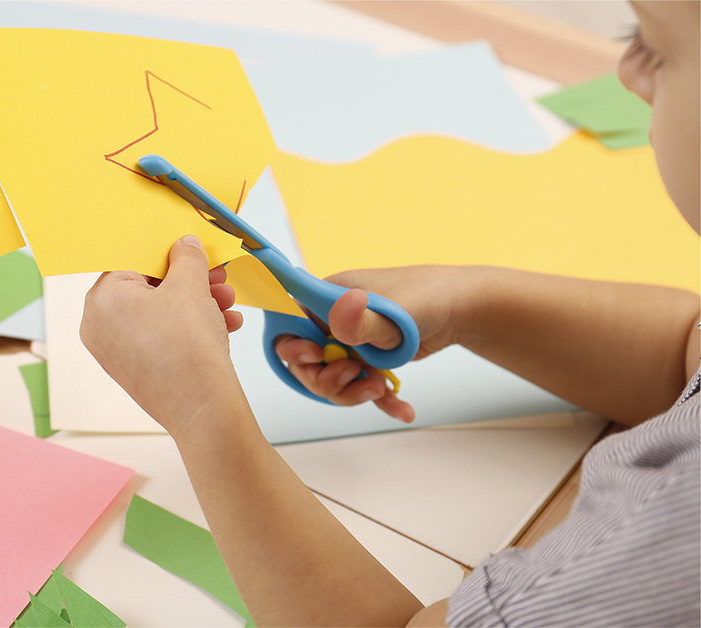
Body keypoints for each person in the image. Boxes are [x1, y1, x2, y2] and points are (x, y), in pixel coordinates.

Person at [80, 1, 700, 625]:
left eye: (654, 47)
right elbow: (684, 353)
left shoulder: (671, 534)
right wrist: (468, 306)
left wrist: (201, 412)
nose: (627, 72)